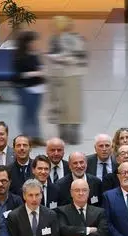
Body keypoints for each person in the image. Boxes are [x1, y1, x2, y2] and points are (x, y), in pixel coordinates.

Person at [47, 16, 87, 144]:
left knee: (73, 107)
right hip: (58, 77)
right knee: (59, 106)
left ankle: (73, 135)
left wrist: (66, 59)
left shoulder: (76, 39)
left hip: (71, 77)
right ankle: (63, 134)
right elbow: (51, 55)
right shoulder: (54, 40)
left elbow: (82, 58)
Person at [13, 31, 46, 144]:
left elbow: (39, 66)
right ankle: (27, 137)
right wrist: (35, 73)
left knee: (34, 113)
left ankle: (35, 136)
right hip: (27, 89)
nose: (36, 44)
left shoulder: (33, 54)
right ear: (27, 43)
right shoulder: (20, 57)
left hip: (37, 88)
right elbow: (19, 75)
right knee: (28, 114)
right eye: (33, 42)